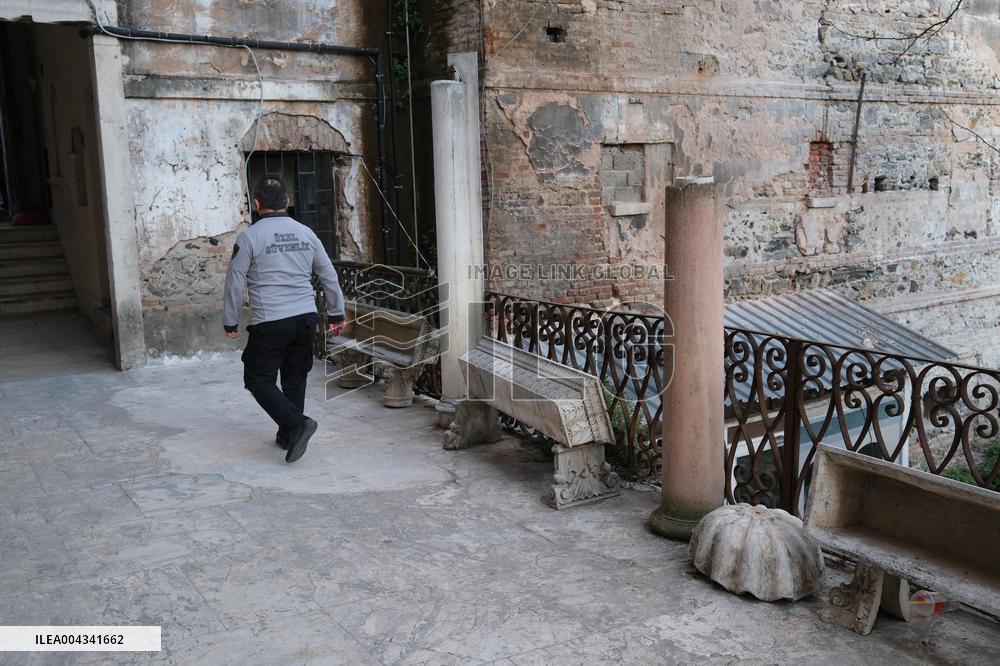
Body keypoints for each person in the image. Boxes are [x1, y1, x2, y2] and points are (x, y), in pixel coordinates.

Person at [223, 176, 346, 463]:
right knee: (295, 377)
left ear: (256, 204)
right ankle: (287, 434)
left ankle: (296, 424)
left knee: (257, 378)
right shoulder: (306, 233)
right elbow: (328, 274)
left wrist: (231, 320)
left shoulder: (250, 237)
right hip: (305, 318)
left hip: (271, 320)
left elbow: (234, 281)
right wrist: (336, 312)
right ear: (287, 203)